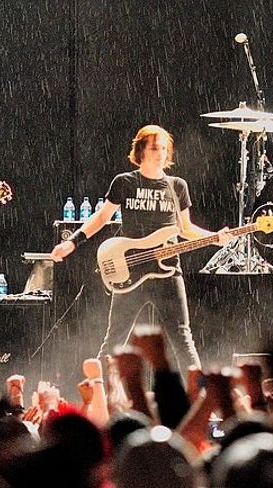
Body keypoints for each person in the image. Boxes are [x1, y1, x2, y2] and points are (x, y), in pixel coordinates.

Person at [50, 125, 228, 371]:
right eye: (155, 147)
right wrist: (72, 242)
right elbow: (102, 218)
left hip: (168, 272)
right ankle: (96, 393)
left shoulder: (177, 186)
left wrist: (215, 237)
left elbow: (185, 229)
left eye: (164, 148)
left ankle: (201, 395)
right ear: (141, 150)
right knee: (114, 340)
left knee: (182, 338)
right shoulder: (125, 182)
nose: (161, 153)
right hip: (129, 271)